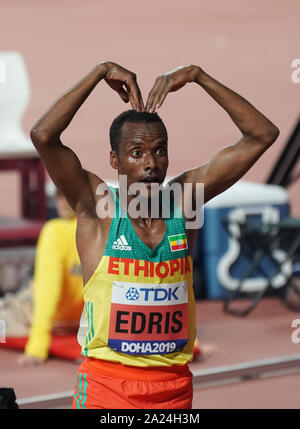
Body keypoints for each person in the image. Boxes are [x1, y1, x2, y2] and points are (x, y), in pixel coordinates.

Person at [30, 61, 279, 408]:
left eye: (159, 150)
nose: (151, 163)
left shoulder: (184, 201)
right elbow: (43, 135)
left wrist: (198, 77)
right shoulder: (98, 208)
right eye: (137, 153)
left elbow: (262, 135)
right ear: (114, 161)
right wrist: (98, 73)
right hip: (107, 388)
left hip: (174, 390)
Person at [0, 190, 84, 366]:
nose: (61, 202)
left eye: (66, 194)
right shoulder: (101, 232)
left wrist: (38, 344)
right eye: (58, 196)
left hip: (32, 315)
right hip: (77, 322)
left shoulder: (55, 230)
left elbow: (48, 290)